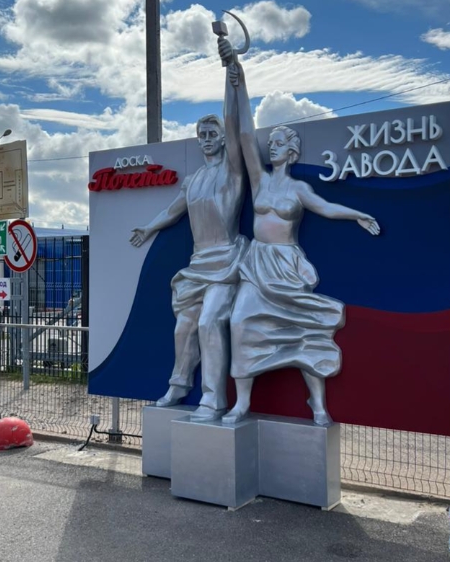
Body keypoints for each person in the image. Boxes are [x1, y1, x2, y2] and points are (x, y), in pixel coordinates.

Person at [218, 37, 380, 426]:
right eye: (271, 143)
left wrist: (358, 214)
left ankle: (318, 403)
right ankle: (242, 402)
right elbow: (244, 135)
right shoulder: (259, 180)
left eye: (278, 144)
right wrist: (238, 80)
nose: (271, 147)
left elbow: (326, 207)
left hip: (287, 266)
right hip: (258, 264)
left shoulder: (299, 189)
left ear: (291, 152)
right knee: (240, 324)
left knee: (305, 330)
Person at [130, 60, 247, 422]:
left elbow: (235, 122)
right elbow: (173, 211)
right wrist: (148, 228)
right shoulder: (192, 181)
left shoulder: (233, 171)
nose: (207, 139)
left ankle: (213, 399)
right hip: (198, 266)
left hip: (226, 262)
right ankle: (179, 385)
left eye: (212, 133)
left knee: (210, 323)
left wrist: (232, 78)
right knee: (184, 327)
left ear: (223, 139)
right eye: (202, 134)